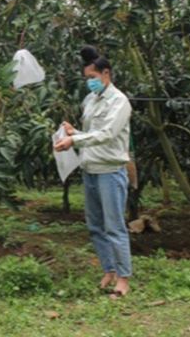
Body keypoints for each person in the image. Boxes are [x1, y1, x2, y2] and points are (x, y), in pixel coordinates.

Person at [54, 45, 132, 298]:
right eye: (86, 78)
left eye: (92, 78)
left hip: (110, 171)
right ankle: (108, 270)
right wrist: (73, 132)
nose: (89, 83)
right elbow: (91, 133)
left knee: (114, 227)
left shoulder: (120, 102)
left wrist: (74, 141)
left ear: (106, 74)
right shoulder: (90, 100)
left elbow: (107, 134)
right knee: (96, 226)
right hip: (90, 170)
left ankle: (123, 278)